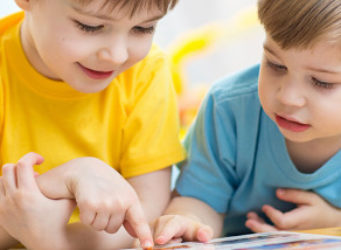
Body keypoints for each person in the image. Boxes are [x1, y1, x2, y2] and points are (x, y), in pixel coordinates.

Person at [151, 0, 341, 245]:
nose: (287, 97)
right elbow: (199, 201)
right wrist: (188, 222)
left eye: (321, 82)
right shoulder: (228, 109)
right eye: (275, 65)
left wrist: (333, 220)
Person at [0, 0, 185, 249]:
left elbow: (145, 217)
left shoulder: (146, 73)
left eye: (144, 28)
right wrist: (62, 178)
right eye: (90, 26)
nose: (117, 55)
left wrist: (51, 238)